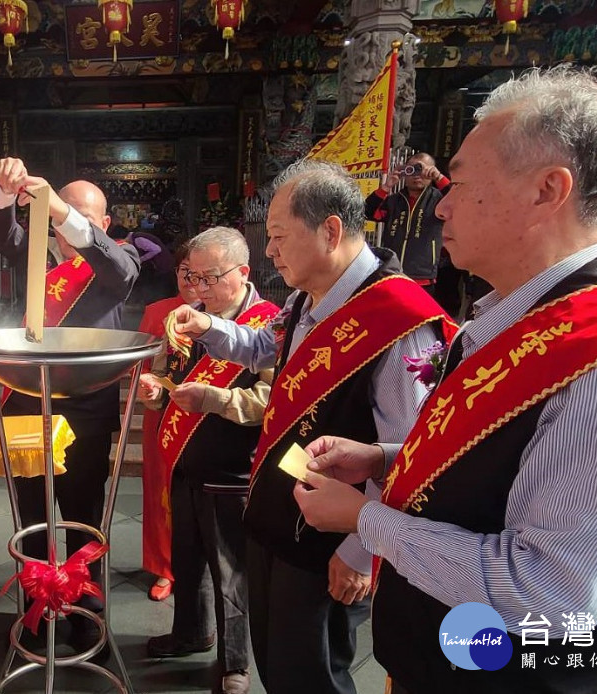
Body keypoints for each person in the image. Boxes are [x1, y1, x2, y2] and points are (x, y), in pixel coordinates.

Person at [293, 66, 597, 693]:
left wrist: (366, 521)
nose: (442, 204)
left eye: (460, 182)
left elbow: (553, 594)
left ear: (548, 190)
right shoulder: (514, 318)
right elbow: (501, 464)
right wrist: (383, 458)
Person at [167, 160, 453, 694]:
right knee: (280, 661)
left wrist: (359, 552)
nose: (270, 251)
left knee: (315, 671)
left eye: (277, 236)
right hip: (280, 511)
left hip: (332, 535)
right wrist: (208, 325)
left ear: (330, 231)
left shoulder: (399, 320)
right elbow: (261, 347)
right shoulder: (305, 298)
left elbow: (410, 452)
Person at [0, 157, 139, 654]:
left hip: (86, 415)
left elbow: (119, 269)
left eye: (77, 215)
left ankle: (84, 614)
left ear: (105, 224)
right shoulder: (37, 259)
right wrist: (4, 191)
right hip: (26, 409)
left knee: (83, 520)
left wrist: (60, 211)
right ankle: (36, 614)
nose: (62, 222)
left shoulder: (116, 261)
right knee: (30, 518)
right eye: (56, 212)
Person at [138, 227, 276, 694]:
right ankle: (190, 632)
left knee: (230, 570)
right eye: (192, 277)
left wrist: (215, 399)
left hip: (233, 467)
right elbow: (167, 375)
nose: (199, 289)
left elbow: (271, 399)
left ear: (244, 272)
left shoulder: (270, 323)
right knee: (187, 557)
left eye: (211, 278)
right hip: (185, 459)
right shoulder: (188, 317)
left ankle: (235, 662)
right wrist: (156, 393)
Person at [136, 246, 195, 603]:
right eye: (184, 270)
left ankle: (195, 566)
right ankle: (162, 566)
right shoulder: (157, 313)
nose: (191, 280)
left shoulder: (226, 315)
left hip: (204, 416)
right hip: (161, 414)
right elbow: (140, 364)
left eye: (200, 272)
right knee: (159, 493)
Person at [364, 151, 451, 293]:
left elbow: (459, 200)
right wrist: (387, 186)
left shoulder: (439, 200)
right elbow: (367, 212)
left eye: (422, 169)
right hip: (392, 275)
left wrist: (439, 177)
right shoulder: (393, 201)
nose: (417, 174)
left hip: (423, 278)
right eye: (412, 169)